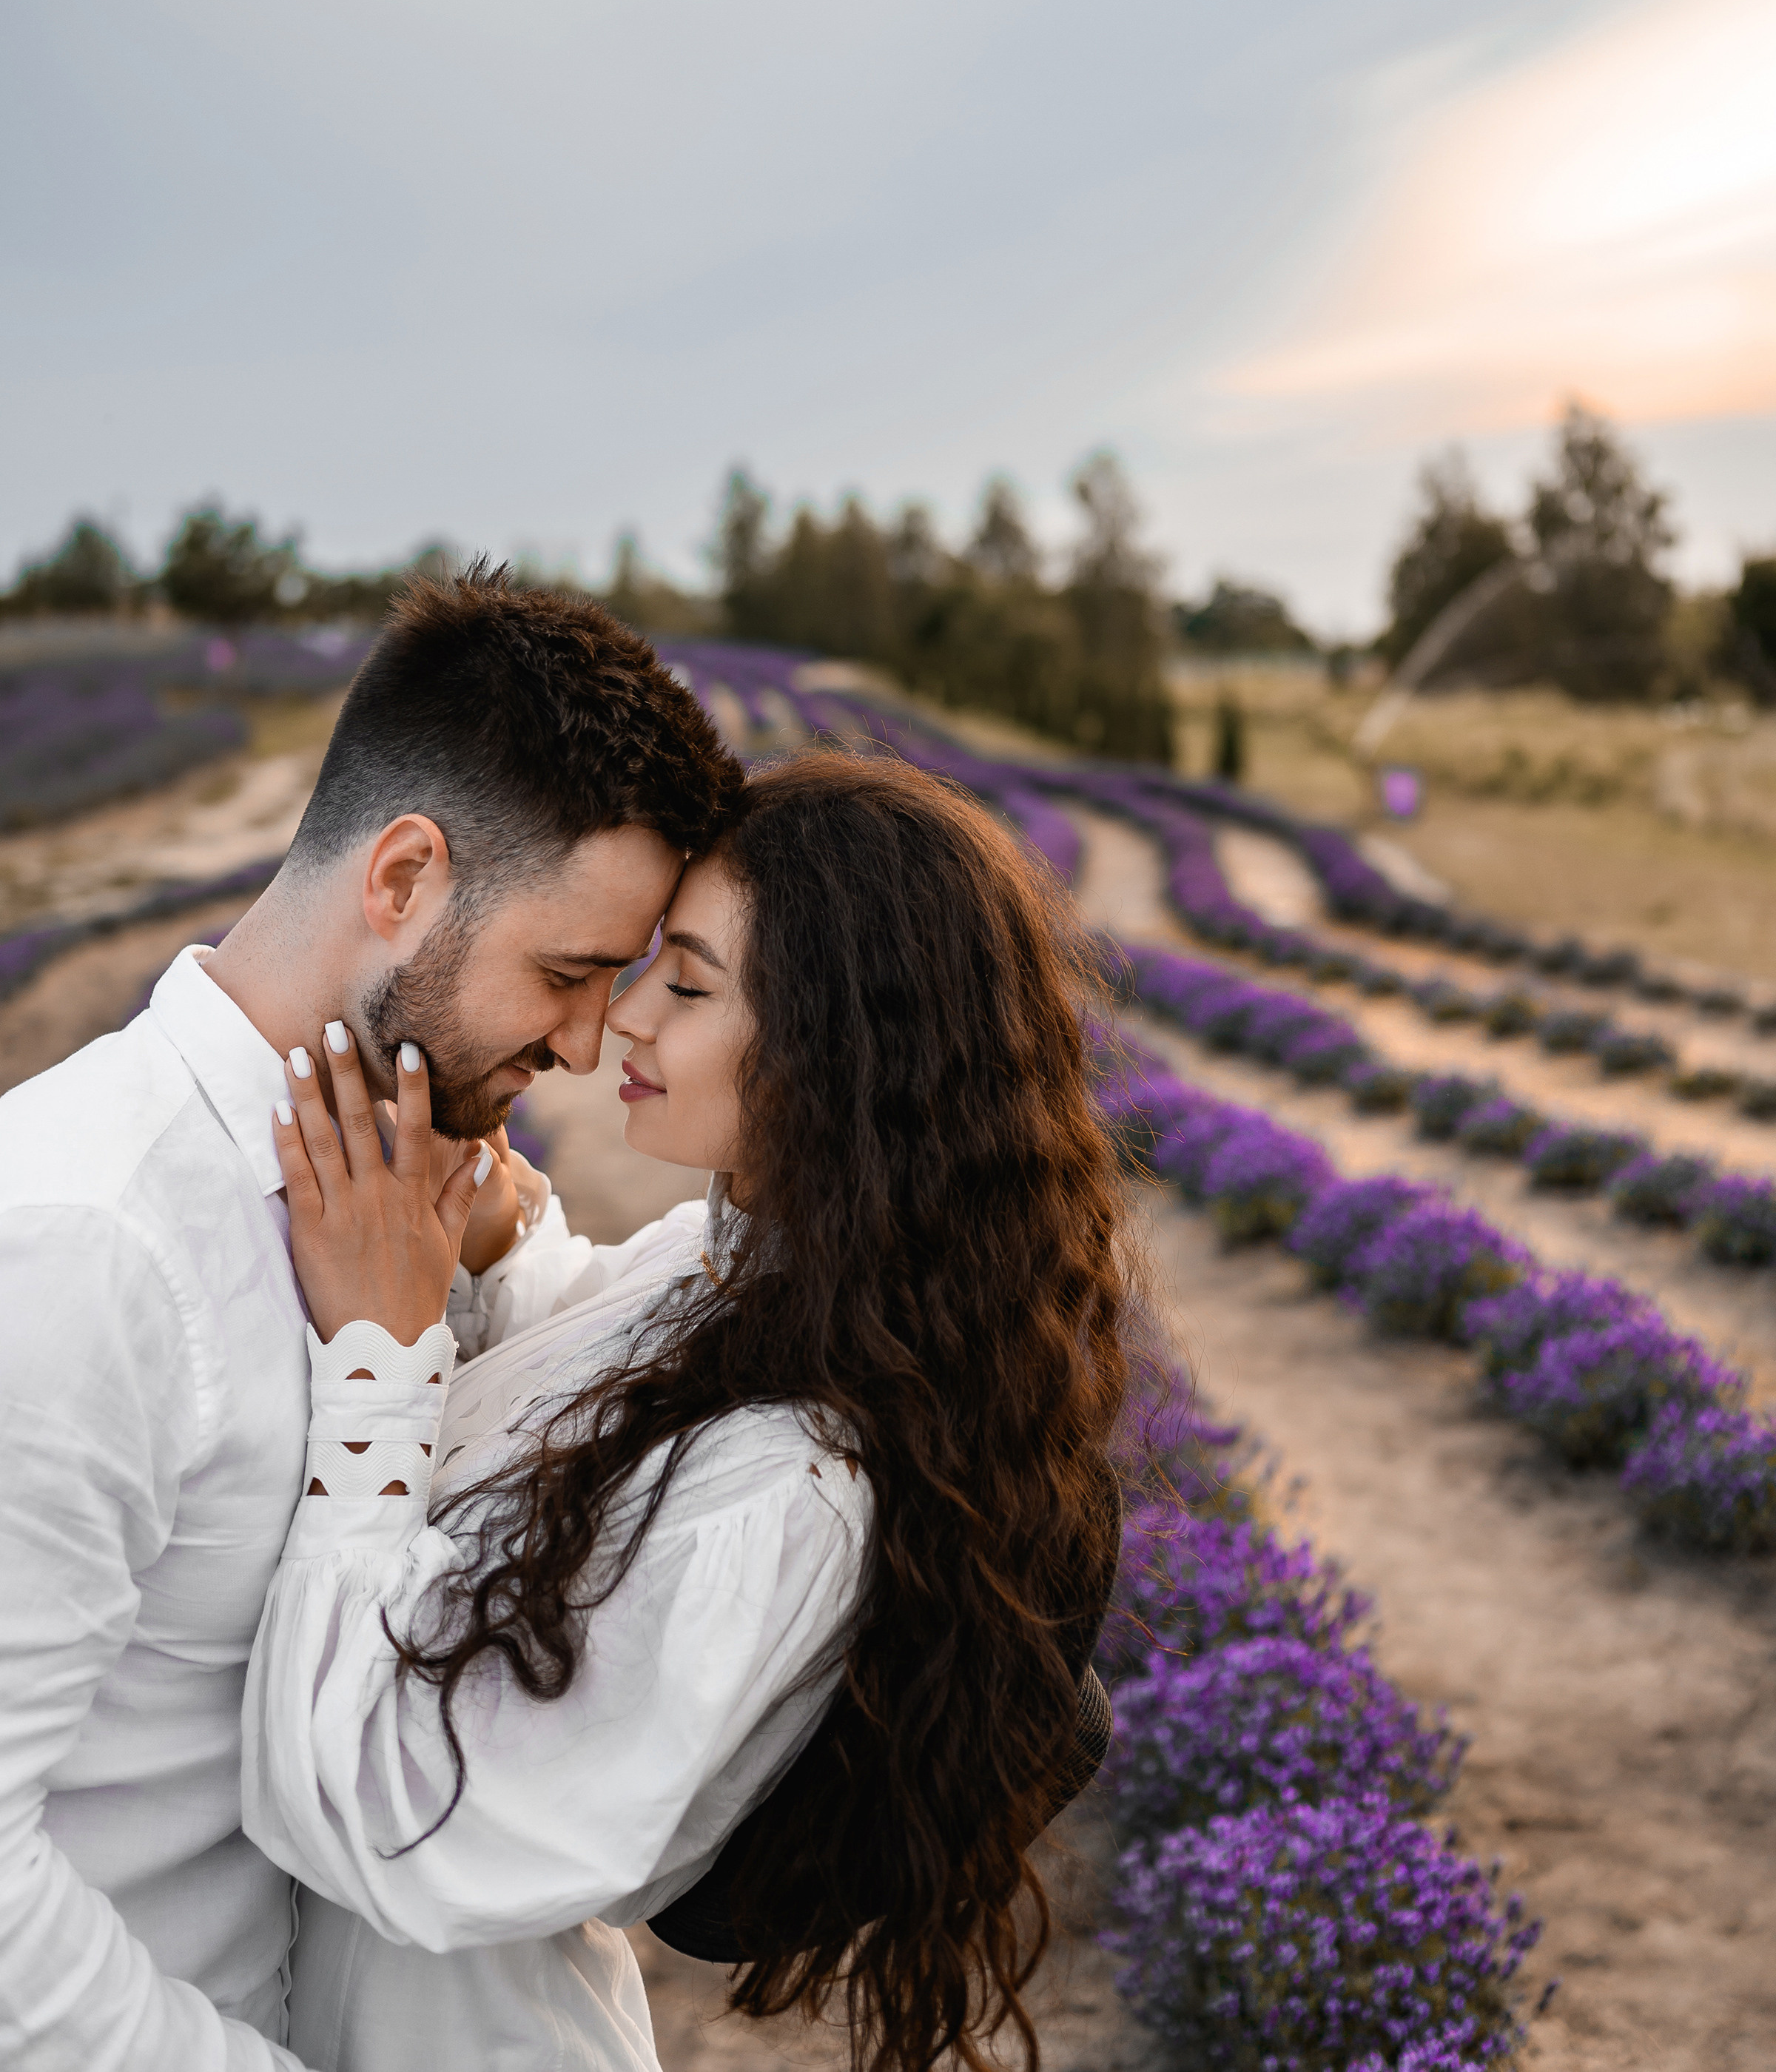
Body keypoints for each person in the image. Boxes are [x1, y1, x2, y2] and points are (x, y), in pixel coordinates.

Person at [243, 747, 1131, 2072]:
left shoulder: (797, 1484)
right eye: (643, 959)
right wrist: (487, 1250)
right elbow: (601, 1383)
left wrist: (379, 1349)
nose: (621, 1021)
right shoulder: (743, 1271)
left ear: (843, 1053)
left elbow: (395, 1820)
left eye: (691, 982)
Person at [0, 568, 739, 2071]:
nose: (595, 1043)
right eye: (568, 972)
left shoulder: (409, 1196)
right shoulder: (88, 1247)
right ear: (402, 879)